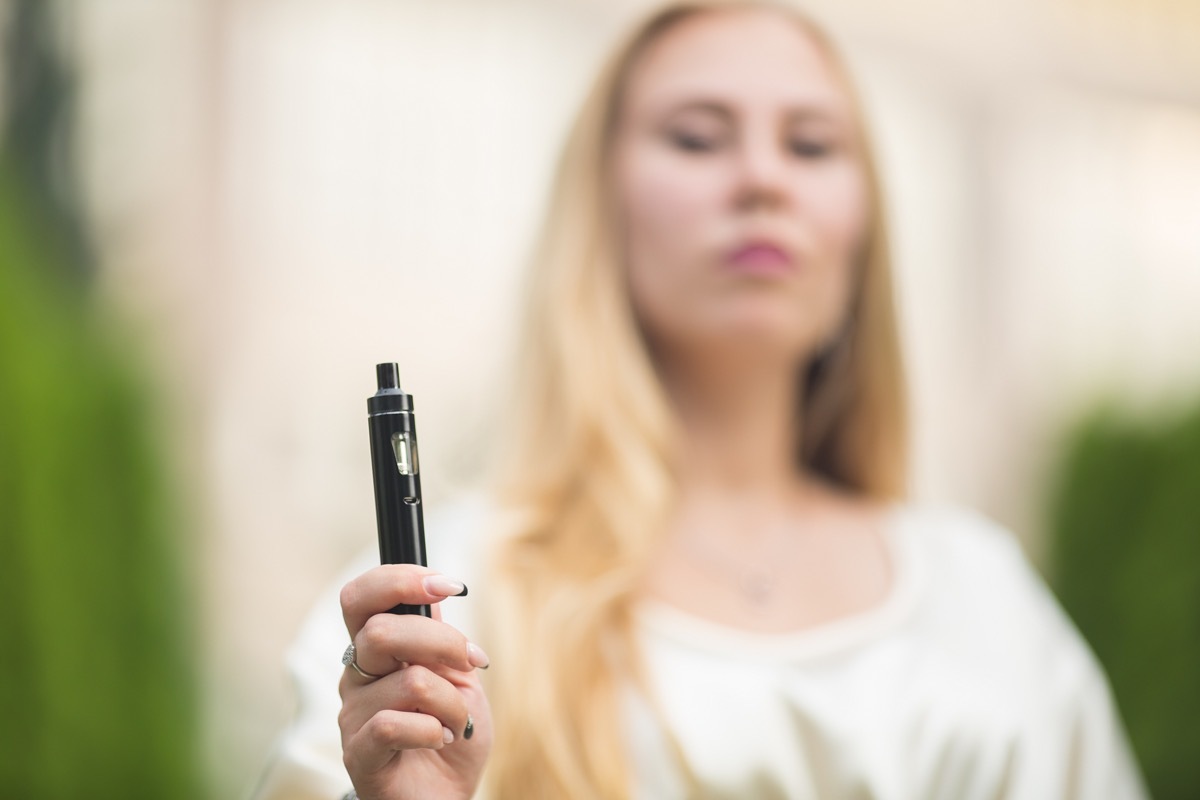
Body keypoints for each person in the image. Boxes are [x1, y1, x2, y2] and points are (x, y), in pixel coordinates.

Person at [254, 2, 1147, 798]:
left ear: (864, 226)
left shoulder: (987, 602)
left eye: (811, 144)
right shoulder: (436, 600)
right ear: (601, 209)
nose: (763, 180)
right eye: (696, 136)